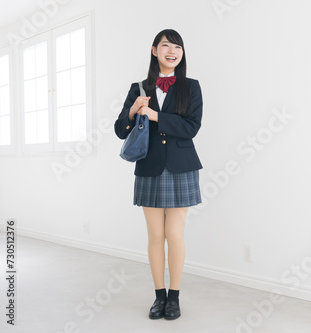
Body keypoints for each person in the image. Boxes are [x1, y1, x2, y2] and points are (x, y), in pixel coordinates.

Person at [114, 29, 203, 320]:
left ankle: (174, 299)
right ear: (155, 50)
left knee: (174, 234)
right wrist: (133, 112)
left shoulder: (191, 86)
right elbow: (119, 130)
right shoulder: (138, 87)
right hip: (150, 167)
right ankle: (159, 297)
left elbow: (191, 127)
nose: (172, 51)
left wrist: (154, 116)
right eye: (166, 45)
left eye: (177, 46)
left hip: (181, 167)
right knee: (155, 235)